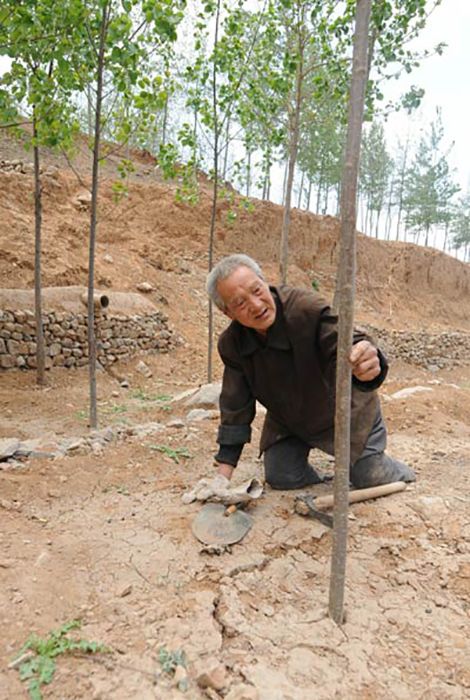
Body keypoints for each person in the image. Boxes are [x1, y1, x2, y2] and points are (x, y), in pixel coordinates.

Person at [205, 253, 415, 491]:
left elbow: (348, 342)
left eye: (256, 290)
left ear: (265, 282)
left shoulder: (306, 308)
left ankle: (401, 471)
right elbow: (236, 406)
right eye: (240, 303)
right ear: (227, 313)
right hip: (290, 421)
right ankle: (318, 479)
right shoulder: (232, 345)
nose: (256, 305)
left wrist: (367, 360)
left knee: (368, 475)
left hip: (344, 410)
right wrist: (222, 477)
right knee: (281, 476)